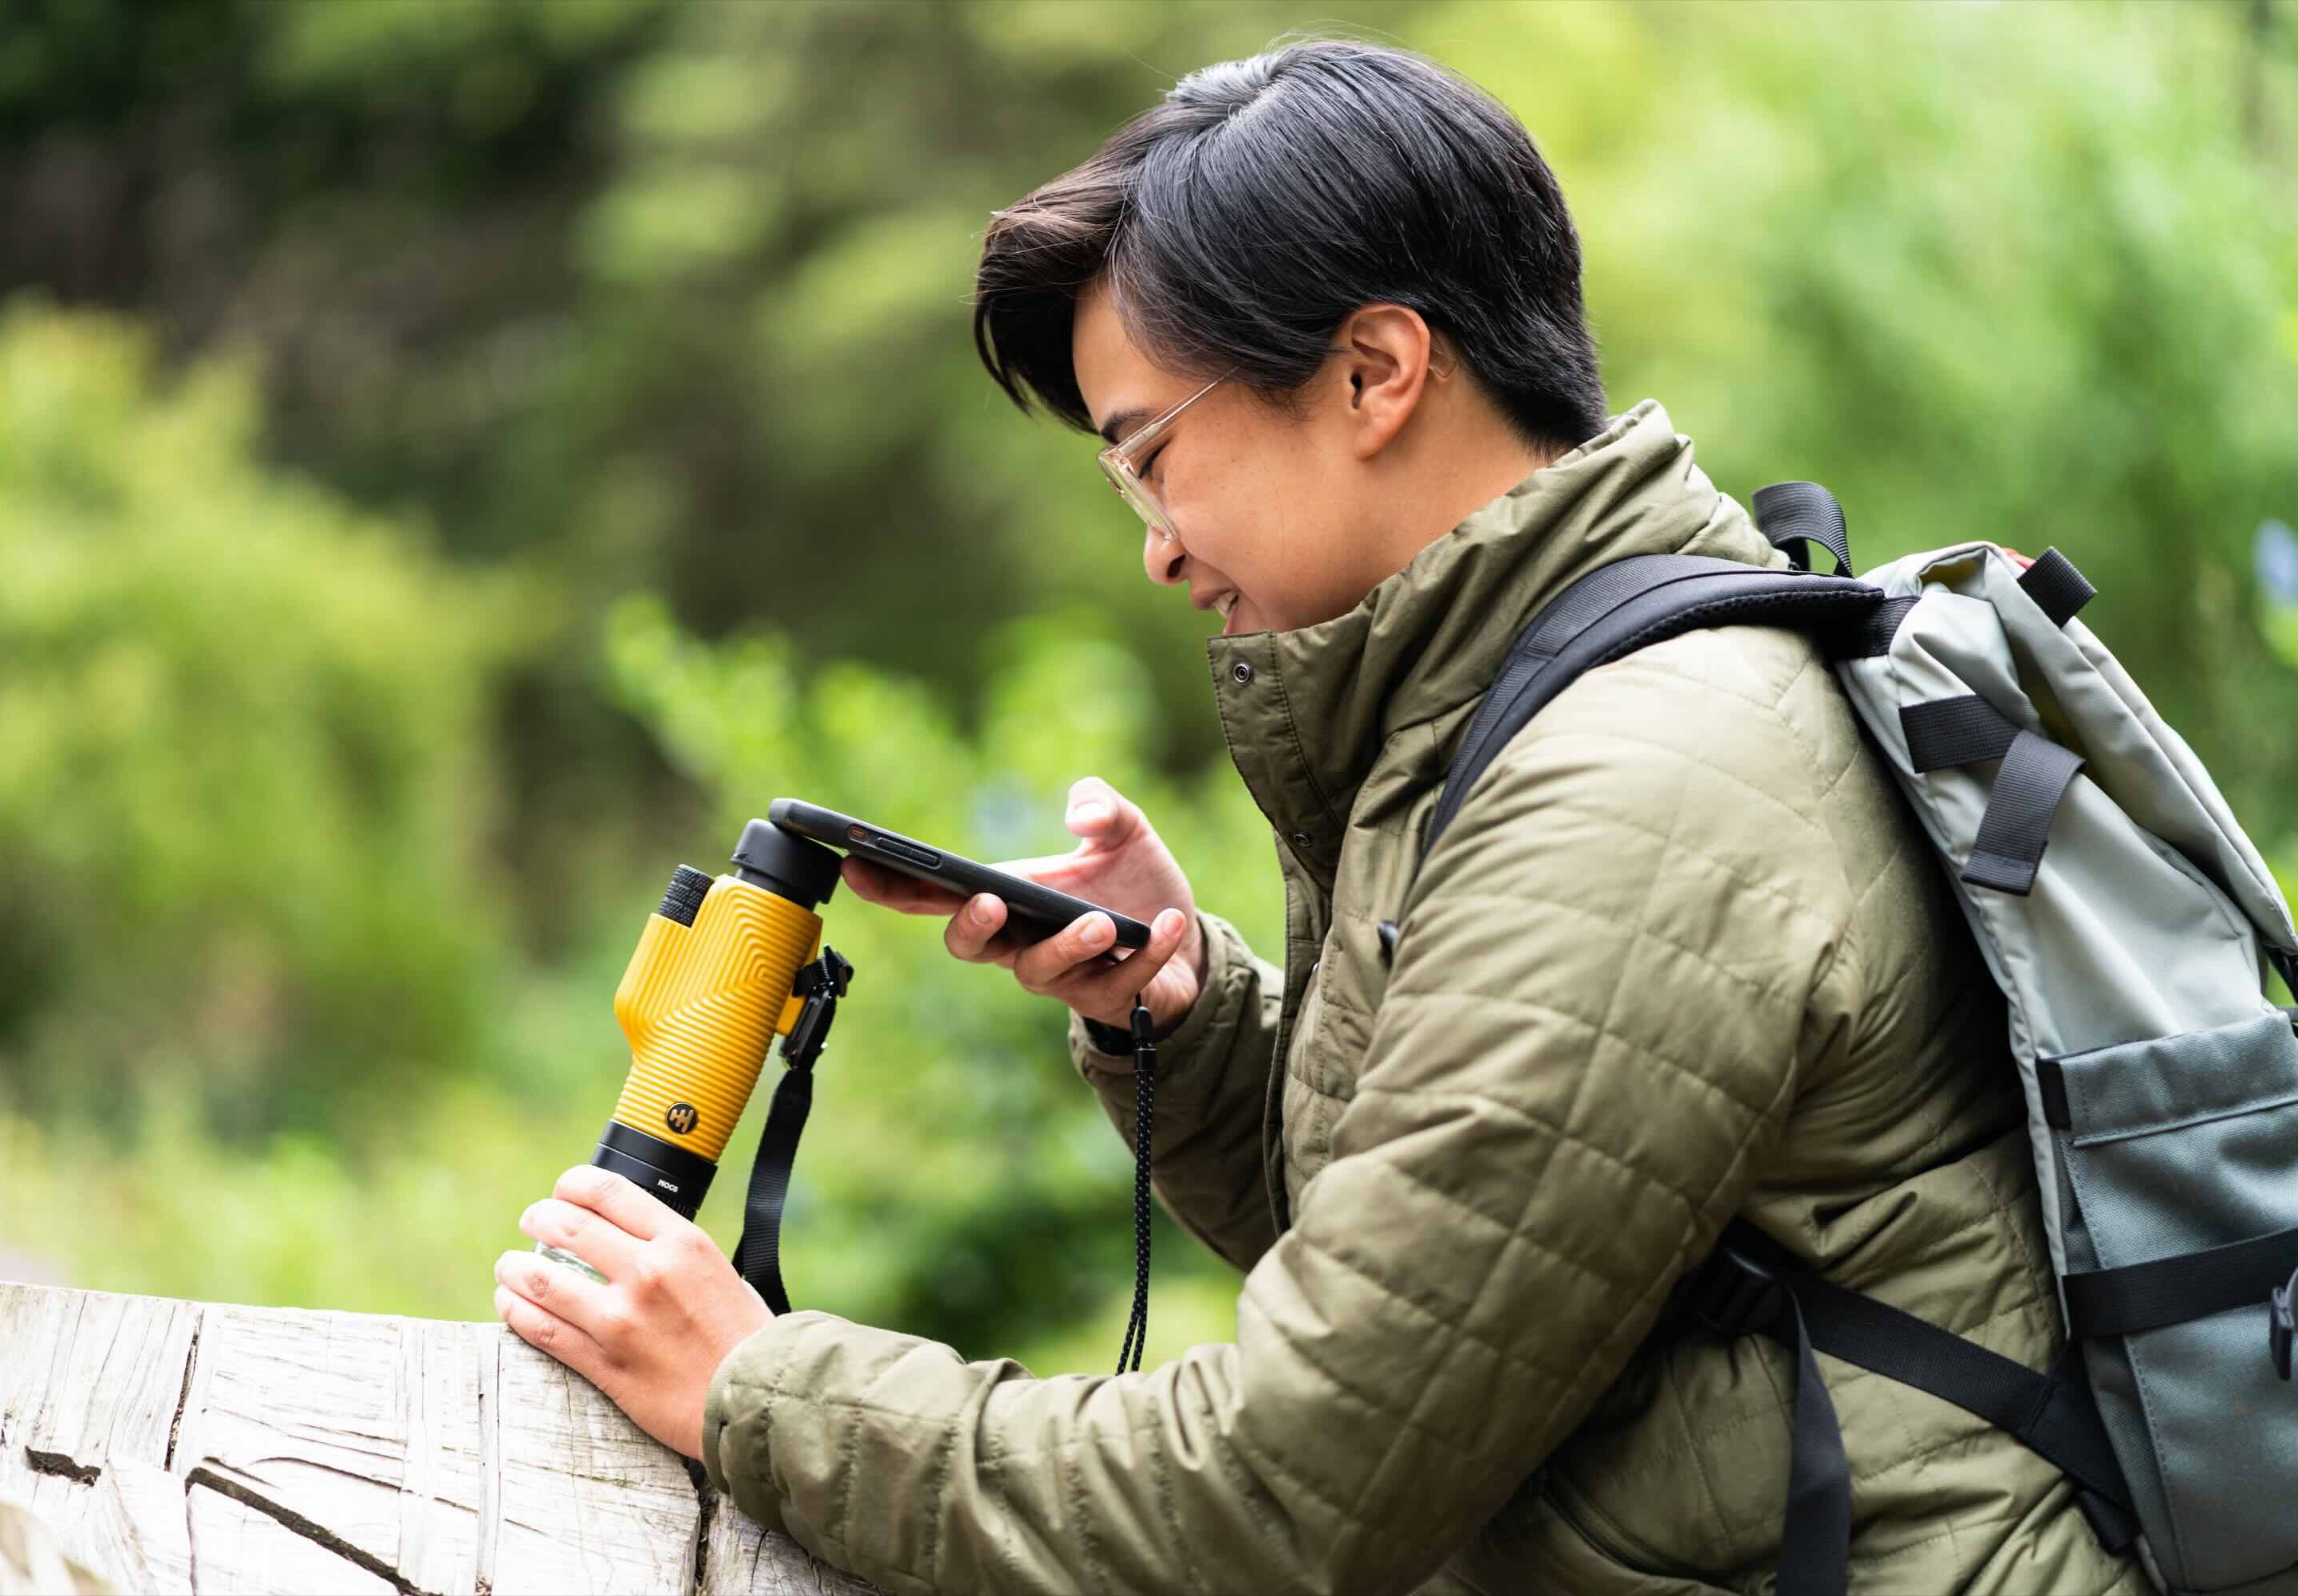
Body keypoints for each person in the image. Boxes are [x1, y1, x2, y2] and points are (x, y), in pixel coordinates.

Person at [495, 37, 2150, 1594]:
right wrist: (1184, 1019)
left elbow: (1290, 1492)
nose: (1154, 544)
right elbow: (1463, 1303)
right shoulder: (1532, 706)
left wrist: (758, 1385)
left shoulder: (1633, 789)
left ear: (1372, 372)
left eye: (1151, 455)